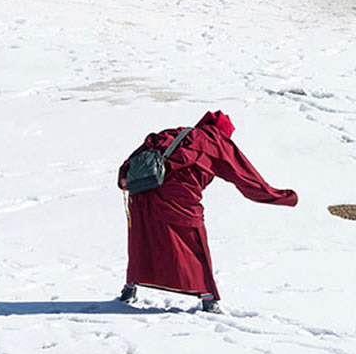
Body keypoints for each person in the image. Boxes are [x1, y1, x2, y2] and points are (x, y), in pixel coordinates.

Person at [117, 110, 297, 313]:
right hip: (177, 197)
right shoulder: (215, 141)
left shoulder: (175, 133)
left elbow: (139, 153)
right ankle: (208, 298)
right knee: (194, 243)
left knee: (143, 239)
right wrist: (284, 197)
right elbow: (244, 176)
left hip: (142, 191)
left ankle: (129, 289)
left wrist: (123, 177)